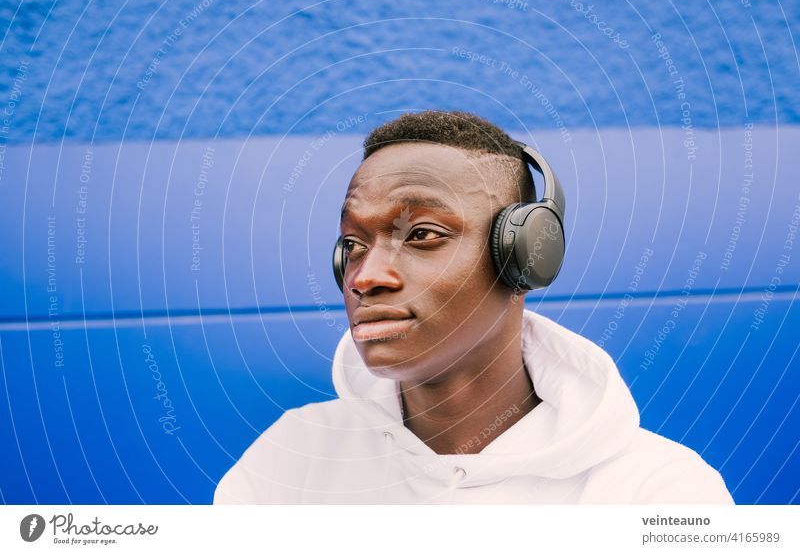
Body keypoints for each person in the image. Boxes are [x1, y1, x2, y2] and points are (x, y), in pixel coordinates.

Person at [214, 110, 733, 504]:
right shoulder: (294, 459)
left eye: (421, 234)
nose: (365, 277)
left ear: (525, 255)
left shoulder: (656, 491)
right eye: (352, 244)